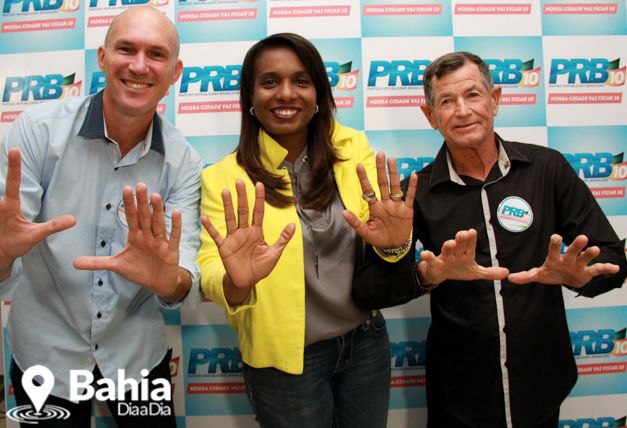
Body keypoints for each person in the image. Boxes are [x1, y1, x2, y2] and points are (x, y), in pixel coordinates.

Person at [344, 51, 626, 428]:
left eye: (473, 95)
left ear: (495, 100)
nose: (463, 111)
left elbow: (614, 260)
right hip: (459, 396)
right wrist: (423, 271)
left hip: (541, 385)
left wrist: (580, 278)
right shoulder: (416, 194)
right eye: (447, 101)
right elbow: (367, 291)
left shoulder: (548, 169)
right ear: (430, 116)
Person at [197, 33, 416, 428]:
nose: (286, 93)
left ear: (318, 94)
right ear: (250, 97)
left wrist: (395, 245)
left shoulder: (353, 149)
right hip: (284, 361)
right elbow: (211, 269)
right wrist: (234, 282)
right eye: (270, 82)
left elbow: (382, 240)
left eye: (301, 80)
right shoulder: (223, 177)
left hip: (364, 342)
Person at [0, 6, 200, 427]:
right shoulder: (38, 131)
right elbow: (6, 250)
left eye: (156, 54)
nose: (139, 66)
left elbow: (181, 279)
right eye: (126, 49)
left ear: (176, 72)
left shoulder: (182, 160)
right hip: (45, 352)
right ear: (103, 58)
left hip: (136, 354)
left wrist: (167, 279)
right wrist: (2, 255)